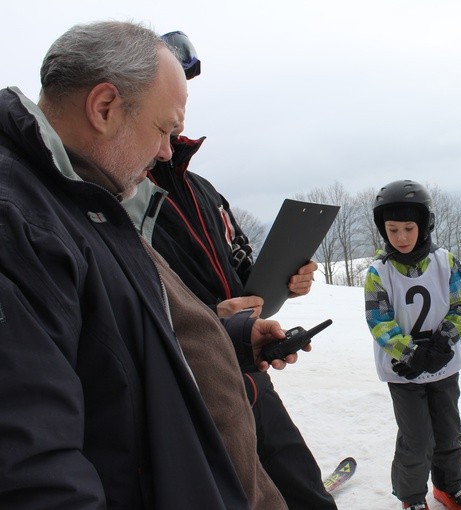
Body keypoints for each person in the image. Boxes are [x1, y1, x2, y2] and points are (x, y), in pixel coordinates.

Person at [0, 21, 289, 509]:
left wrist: (229, 340)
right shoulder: (21, 223)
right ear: (105, 108)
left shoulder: (85, 199)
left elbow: (110, 348)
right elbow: (33, 469)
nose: (164, 151)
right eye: (164, 129)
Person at [123, 30, 337, 510]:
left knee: (300, 482)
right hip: (188, 378)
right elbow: (130, 296)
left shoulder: (201, 189)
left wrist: (287, 283)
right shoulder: (122, 192)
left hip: (246, 366)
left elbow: (241, 268)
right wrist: (213, 320)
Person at [364, 180, 461, 510]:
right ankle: (412, 498)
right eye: (393, 229)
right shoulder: (378, 272)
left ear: (425, 225)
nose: (401, 237)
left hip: (443, 367)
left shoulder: (446, 261)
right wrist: (410, 354)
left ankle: (449, 487)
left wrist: (443, 343)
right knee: (417, 440)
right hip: (405, 374)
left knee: (449, 433)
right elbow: (379, 321)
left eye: (409, 228)